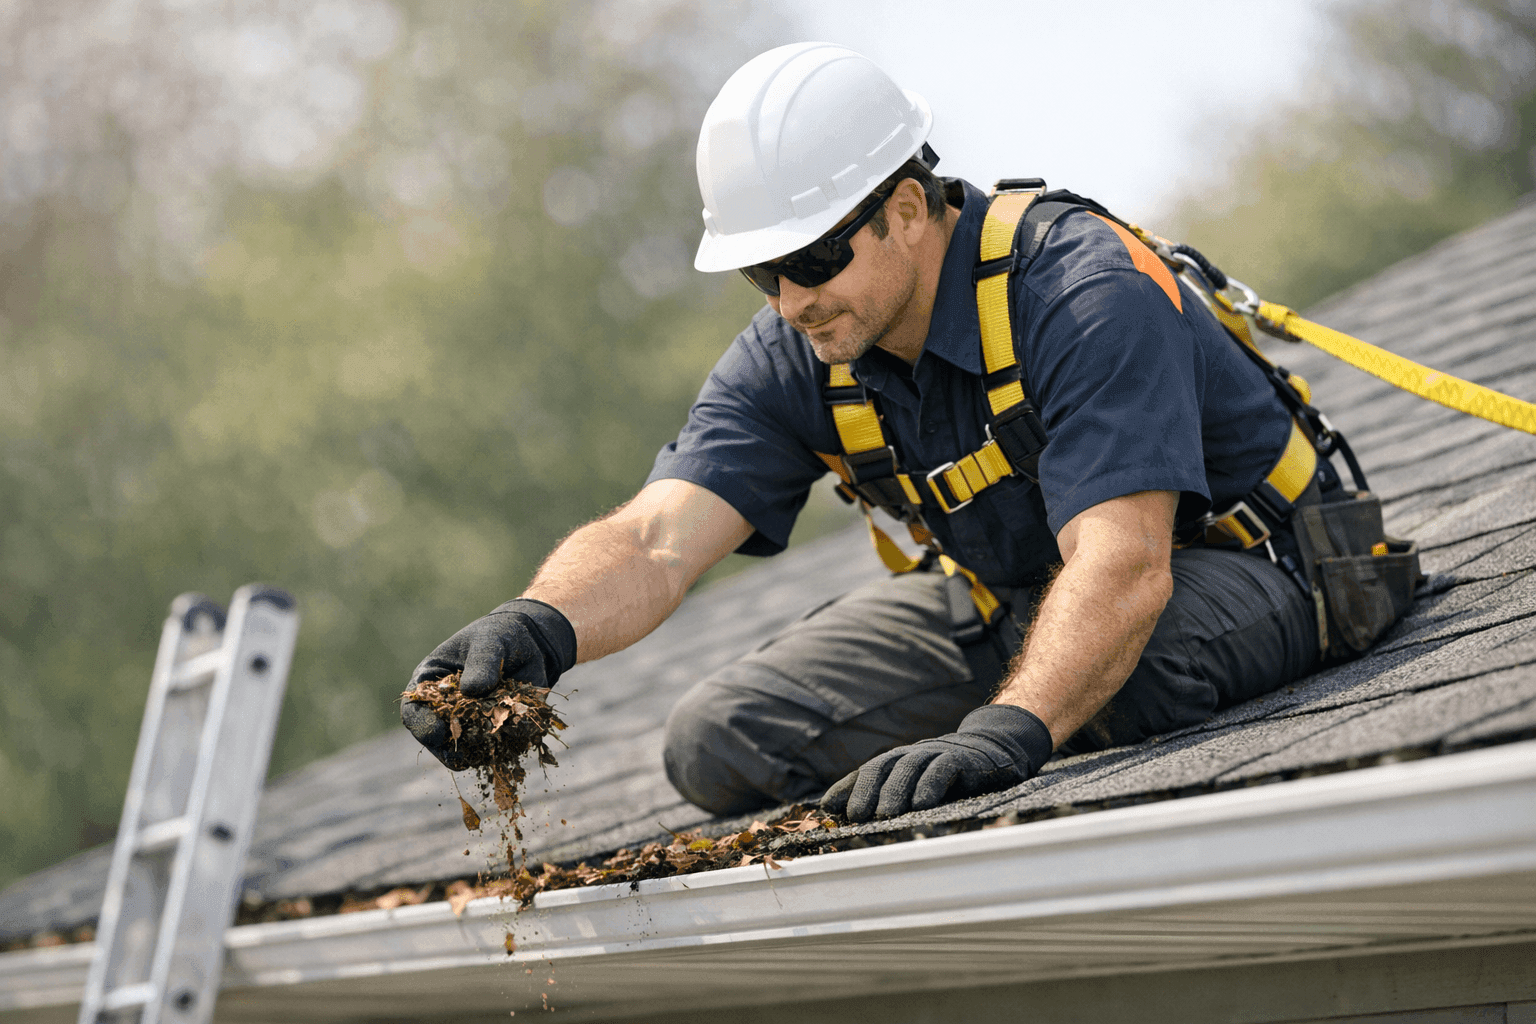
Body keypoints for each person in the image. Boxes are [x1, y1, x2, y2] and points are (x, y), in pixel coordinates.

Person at [402, 42, 1340, 824]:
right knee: (720, 742)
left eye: (813, 258)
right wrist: (539, 625)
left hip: (1253, 565)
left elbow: (1124, 566)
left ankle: (1044, 698)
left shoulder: (1082, 291)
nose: (792, 301)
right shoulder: (800, 347)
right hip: (1020, 600)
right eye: (763, 273)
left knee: (1132, 676)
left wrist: (1003, 733)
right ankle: (1042, 693)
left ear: (906, 210)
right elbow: (656, 538)